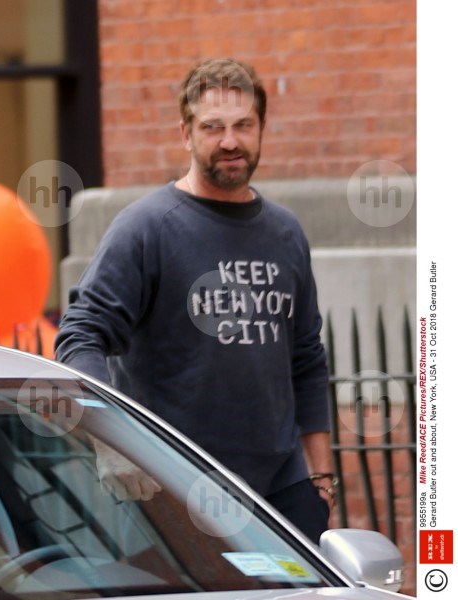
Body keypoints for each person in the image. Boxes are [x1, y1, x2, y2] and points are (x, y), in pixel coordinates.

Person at [55, 58, 336, 544]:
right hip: (173, 484)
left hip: (282, 490)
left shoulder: (286, 232)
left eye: (243, 125)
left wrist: (321, 478)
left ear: (261, 129)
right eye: (213, 127)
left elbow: (307, 358)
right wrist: (111, 441)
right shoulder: (147, 227)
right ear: (185, 134)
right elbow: (80, 335)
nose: (230, 141)